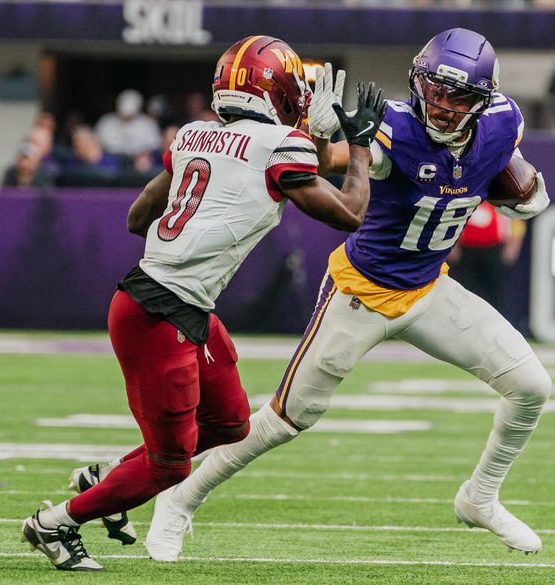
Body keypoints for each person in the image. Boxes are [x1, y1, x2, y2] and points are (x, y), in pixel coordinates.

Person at [146, 28, 552, 561]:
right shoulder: (396, 128)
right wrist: (318, 138)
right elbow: (330, 162)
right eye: (433, 89)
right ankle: (179, 499)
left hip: (428, 289)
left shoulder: (503, 122)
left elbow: (518, 182)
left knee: (531, 385)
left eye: (457, 97)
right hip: (361, 292)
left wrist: (524, 188)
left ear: (483, 100)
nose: (441, 105)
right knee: (287, 418)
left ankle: (480, 497)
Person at [19, 34, 386, 572]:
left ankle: (107, 479)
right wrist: (359, 145)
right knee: (169, 467)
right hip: (159, 313)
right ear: (276, 92)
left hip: (170, 301)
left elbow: (137, 218)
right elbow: (350, 212)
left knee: (231, 423)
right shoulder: (280, 145)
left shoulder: (194, 134)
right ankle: (53, 524)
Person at [447, 203, 526, 312]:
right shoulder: (466, 198)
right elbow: (452, 219)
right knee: (466, 290)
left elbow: (516, 220)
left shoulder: (502, 198)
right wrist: (452, 245)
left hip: (494, 250)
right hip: (467, 251)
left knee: (495, 291)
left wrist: (513, 245)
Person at [95, 89, 162, 160]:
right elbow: (96, 145)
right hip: (109, 160)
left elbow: (155, 147)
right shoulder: (106, 122)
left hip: (138, 161)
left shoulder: (148, 124)